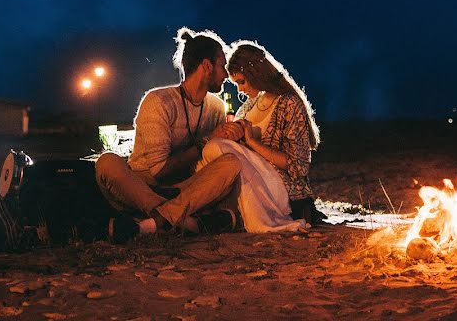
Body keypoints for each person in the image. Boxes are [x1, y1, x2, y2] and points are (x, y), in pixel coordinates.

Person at [95, 28, 245, 242]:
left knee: (231, 163)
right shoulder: (159, 101)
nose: (226, 74)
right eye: (222, 65)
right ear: (206, 66)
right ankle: (185, 220)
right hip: (142, 186)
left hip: (183, 189)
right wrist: (206, 142)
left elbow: (213, 159)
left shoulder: (216, 107)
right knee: (107, 162)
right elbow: (158, 172)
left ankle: (154, 223)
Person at [227, 41, 325, 224]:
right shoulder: (246, 108)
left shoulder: (288, 104)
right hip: (251, 186)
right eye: (236, 83)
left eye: (242, 81)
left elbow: (298, 166)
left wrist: (252, 143)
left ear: (256, 73)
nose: (240, 89)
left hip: (285, 192)